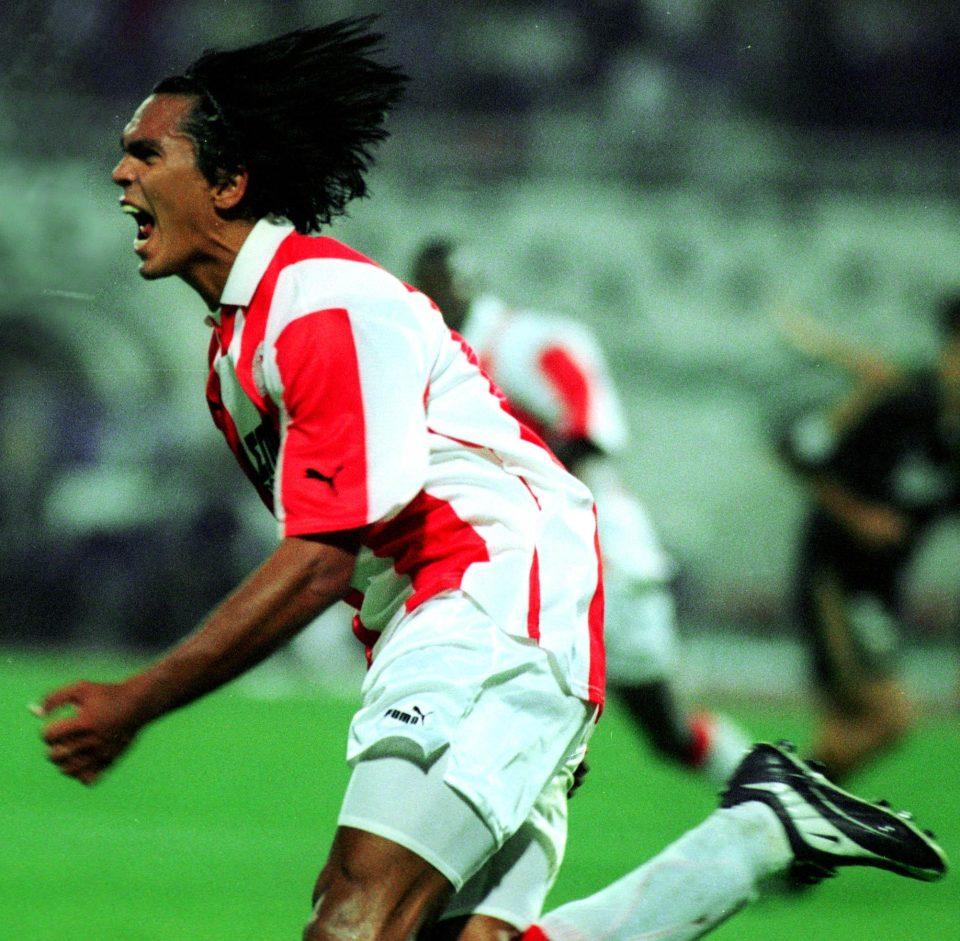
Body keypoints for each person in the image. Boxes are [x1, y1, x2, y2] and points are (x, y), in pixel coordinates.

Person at [35, 18, 946, 941]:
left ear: (228, 182)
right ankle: (753, 837)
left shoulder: (319, 307)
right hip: (484, 620)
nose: (119, 174)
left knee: (353, 921)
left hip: (487, 603)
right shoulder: (238, 348)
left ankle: (753, 825)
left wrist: (139, 699)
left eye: (146, 153)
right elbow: (356, 556)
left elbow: (321, 558)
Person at [410, 239, 750, 788]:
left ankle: (777, 792)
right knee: (495, 703)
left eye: (439, 284)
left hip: (597, 550)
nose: (432, 296)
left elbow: (588, 433)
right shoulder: (433, 358)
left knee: (666, 729)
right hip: (530, 553)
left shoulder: (528, 341)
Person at [779, 292, 960, 782]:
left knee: (848, 726)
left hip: (879, 592)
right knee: (888, 716)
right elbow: (799, 452)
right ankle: (774, 803)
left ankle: (788, 813)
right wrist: (859, 515)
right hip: (835, 578)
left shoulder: (948, 430)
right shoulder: (904, 404)